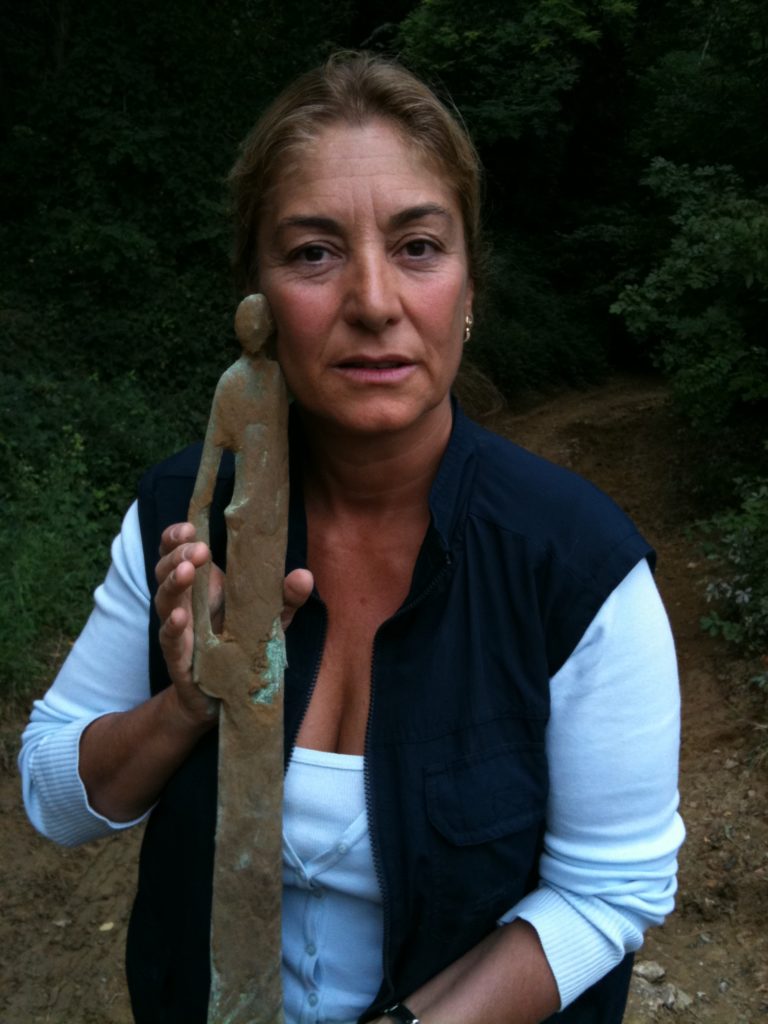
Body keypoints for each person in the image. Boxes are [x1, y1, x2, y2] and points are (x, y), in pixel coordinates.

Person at [19, 51, 684, 1024]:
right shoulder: (186, 522)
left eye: (418, 246)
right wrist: (188, 705)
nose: (373, 301)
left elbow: (609, 893)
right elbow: (50, 795)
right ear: (260, 304)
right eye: (314, 253)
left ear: (469, 291)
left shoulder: (577, 567)